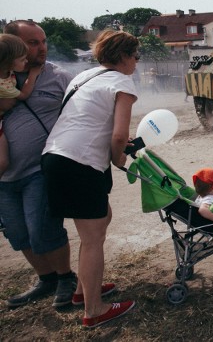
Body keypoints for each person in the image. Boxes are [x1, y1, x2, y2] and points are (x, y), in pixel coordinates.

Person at [41, 30, 139, 328]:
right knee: (93, 237)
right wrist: (119, 157)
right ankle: (94, 311)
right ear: (122, 56)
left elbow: (88, 119)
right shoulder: (122, 81)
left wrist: (116, 146)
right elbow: (119, 134)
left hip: (54, 156)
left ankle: (84, 291)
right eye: (135, 55)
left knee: (101, 218)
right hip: (79, 162)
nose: (136, 60)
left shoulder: (83, 77)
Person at [0, 20, 76, 308]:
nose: (42, 47)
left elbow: (85, 113)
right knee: (18, 234)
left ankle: (66, 278)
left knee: (42, 229)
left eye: (43, 41)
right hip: (4, 177)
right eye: (33, 43)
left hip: (39, 170)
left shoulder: (60, 78)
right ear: (13, 44)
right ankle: (47, 279)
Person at [0, 34, 43, 178]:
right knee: (3, 161)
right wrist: (33, 74)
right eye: (22, 59)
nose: (26, 61)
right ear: (8, 62)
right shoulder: (3, 86)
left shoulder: (5, 72)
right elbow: (23, 95)